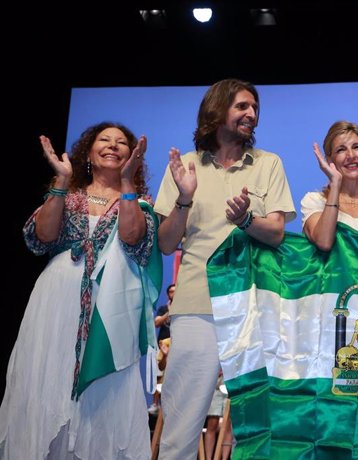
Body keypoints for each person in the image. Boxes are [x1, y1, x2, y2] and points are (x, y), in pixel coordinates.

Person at [154, 78, 296, 458]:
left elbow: (278, 232)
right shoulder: (185, 165)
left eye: (254, 109)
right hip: (198, 304)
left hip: (255, 306)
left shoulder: (268, 164)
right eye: (242, 107)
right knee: (183, 422)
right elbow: (167, 244)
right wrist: (184, 199)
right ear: (217, 111)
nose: (251, 114)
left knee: (260, 421)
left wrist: (248, 220)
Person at [0, 122, 160, 459]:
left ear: (132, 156)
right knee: (48, 378)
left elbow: (134, 240)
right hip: (57, 301)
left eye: (121, 143)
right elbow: (41, 237)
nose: (113, 146)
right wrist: (60, 180)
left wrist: (128, 182)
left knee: (106, 392)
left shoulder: (139, 202)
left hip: (110, 308)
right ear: (88, 152)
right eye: (104, 140)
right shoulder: (69, 196)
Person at [149, 283, 175, 415]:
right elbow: (156, 322)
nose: (174, 294)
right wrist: (169, 313)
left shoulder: (182, 309)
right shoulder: (163, 309)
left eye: (176, 292)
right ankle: (155, 403)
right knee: (158, 374)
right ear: (168, 294)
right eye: (171, 292)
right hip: (163, 345)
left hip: (177, 345)